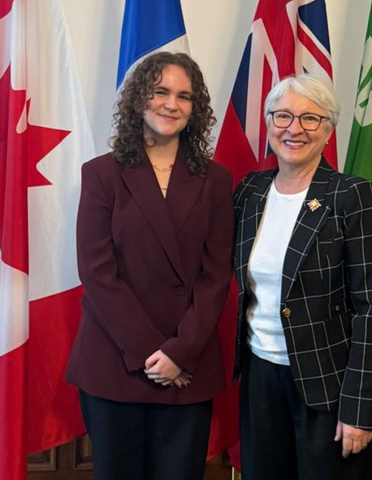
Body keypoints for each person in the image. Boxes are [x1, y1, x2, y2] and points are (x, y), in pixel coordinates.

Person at [65, 52, 233, 480]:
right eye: (160, 92)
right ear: (139, 99)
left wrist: (178, 353)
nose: (171, 104)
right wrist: (148, 354)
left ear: (195, 108)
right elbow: (97, 272)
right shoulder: (101, 174)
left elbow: (216, 276)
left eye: (184, 96)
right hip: (115, 361)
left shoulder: (216, 180)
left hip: (187, 364)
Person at [232, 74, 372, 480]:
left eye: (310, 118)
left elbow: (371, 309)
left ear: (328, 129)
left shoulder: (351, 195)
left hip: (329, 385)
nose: (294, 129)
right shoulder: (250, 191)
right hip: (260, 375)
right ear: (269, 122)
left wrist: (359, 408)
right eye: (283, 116)